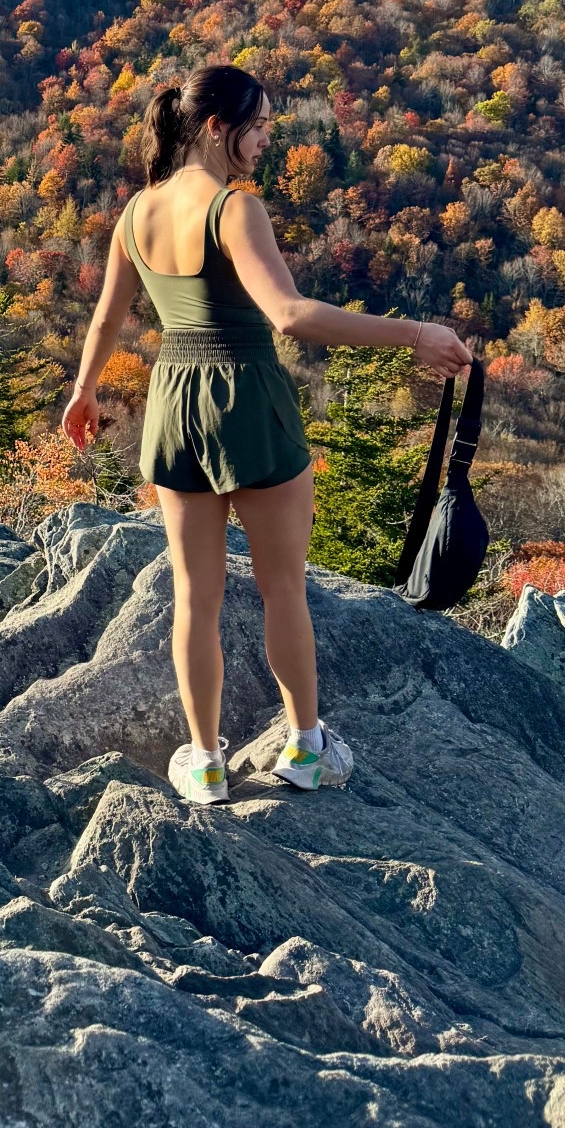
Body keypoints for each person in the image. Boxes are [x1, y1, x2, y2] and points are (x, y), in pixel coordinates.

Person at [62, 65, 471, 806]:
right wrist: (415, 334)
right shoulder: (234, 208)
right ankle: (307, 750)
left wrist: (83, 391)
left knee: (196, 596)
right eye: (259, 126)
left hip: (176, 403)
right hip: (247, 395)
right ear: (218, 128)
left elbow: (106, 318)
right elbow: (288, 314)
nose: (267, 140)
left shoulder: (136, 214)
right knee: (285, 588)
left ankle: (207, 764)